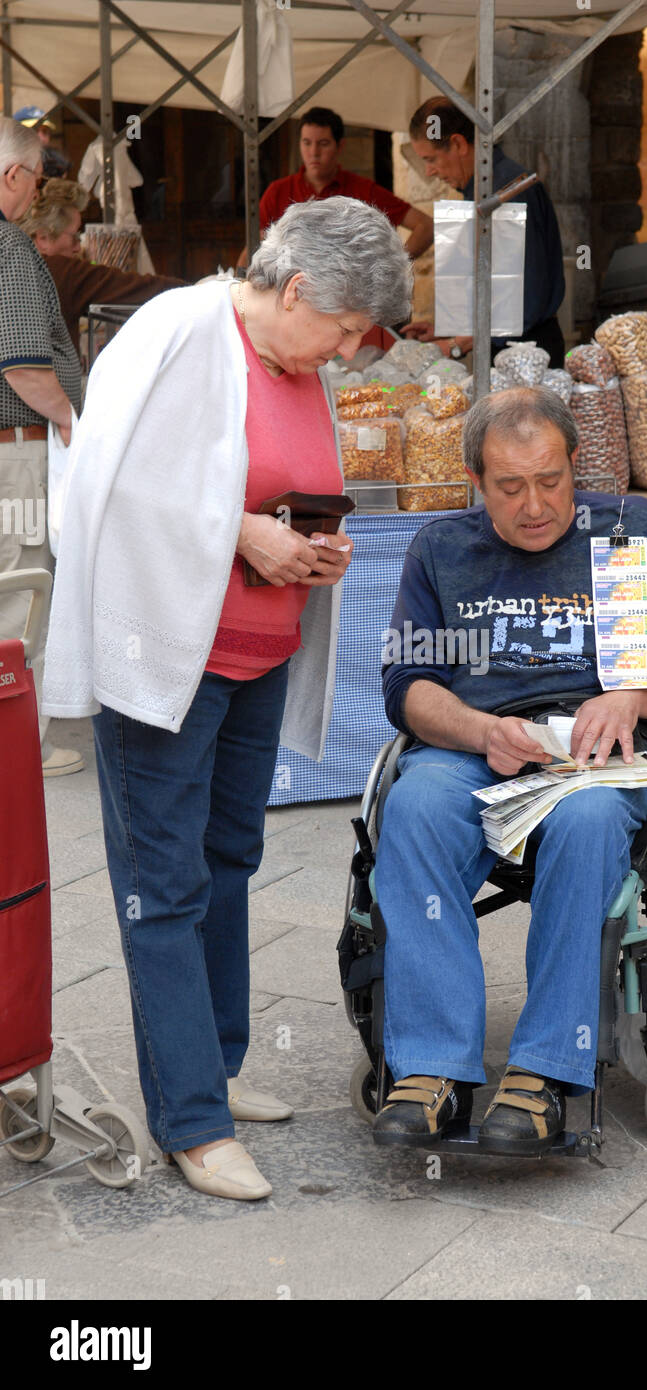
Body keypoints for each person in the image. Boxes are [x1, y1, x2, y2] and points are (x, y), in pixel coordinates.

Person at [42, 197, 413, 1200]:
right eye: (340, 330)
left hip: (255, 654)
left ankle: (218, 1061)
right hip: (166, 656)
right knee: (162, 883)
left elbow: (275, 483)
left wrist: (311, 544)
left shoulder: (297, 362)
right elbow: (102, 486)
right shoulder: (175, 328)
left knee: (228, 859)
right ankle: (190, 1120)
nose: (341, 352)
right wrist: (245, 535)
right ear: (297, 290)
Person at [372, 386, 647, 1154]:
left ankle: (546, 1068)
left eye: (551, 480)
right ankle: (433, 1066)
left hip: (599, 755)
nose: (536, 505)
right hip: (477, 748)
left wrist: (630, 696)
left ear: (574, 465)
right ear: (475, 482)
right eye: (510, 486)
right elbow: (406, 686)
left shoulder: (632, 531)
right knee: (415, 808)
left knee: (588, 819)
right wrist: (479, 729)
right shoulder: (441, 549)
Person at [0, 116, 83, 778]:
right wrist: (70, 419)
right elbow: (24, 365)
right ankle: (18, 742)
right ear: (12, 175)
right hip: (15, 457)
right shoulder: (9, 247)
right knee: (20, 591)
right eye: (33, 179)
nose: (34, 195)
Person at [401, 96, 566, 367]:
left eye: (431, 159)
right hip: (504, 354)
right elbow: (492, 288)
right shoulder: (477, 193)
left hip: (529, 356)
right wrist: (447, 329)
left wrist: (457, 343)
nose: (429, 171)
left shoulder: (508, 192)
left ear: (458, 144)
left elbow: (523, 297)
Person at [237, 105, 433, 269]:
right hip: (291, 301)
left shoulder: (363, 191)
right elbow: (253, 246)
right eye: (306, 143)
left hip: (348, 303)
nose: (313, 152)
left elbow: (426, 226)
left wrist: (393, 269)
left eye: (323, 143)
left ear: (340, 146)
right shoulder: (278, 191)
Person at [18, 178, 186, 348]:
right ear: (43, 238)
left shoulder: (17, 264)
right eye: (74, 236)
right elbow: (134, 286)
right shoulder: (59, 270)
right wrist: (198, 288)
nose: (78, 246)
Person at [13, 107, 71, 180]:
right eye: (33, 130)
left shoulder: (56, 164)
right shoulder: (4, 164)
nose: (41, 138)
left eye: (45, 132)